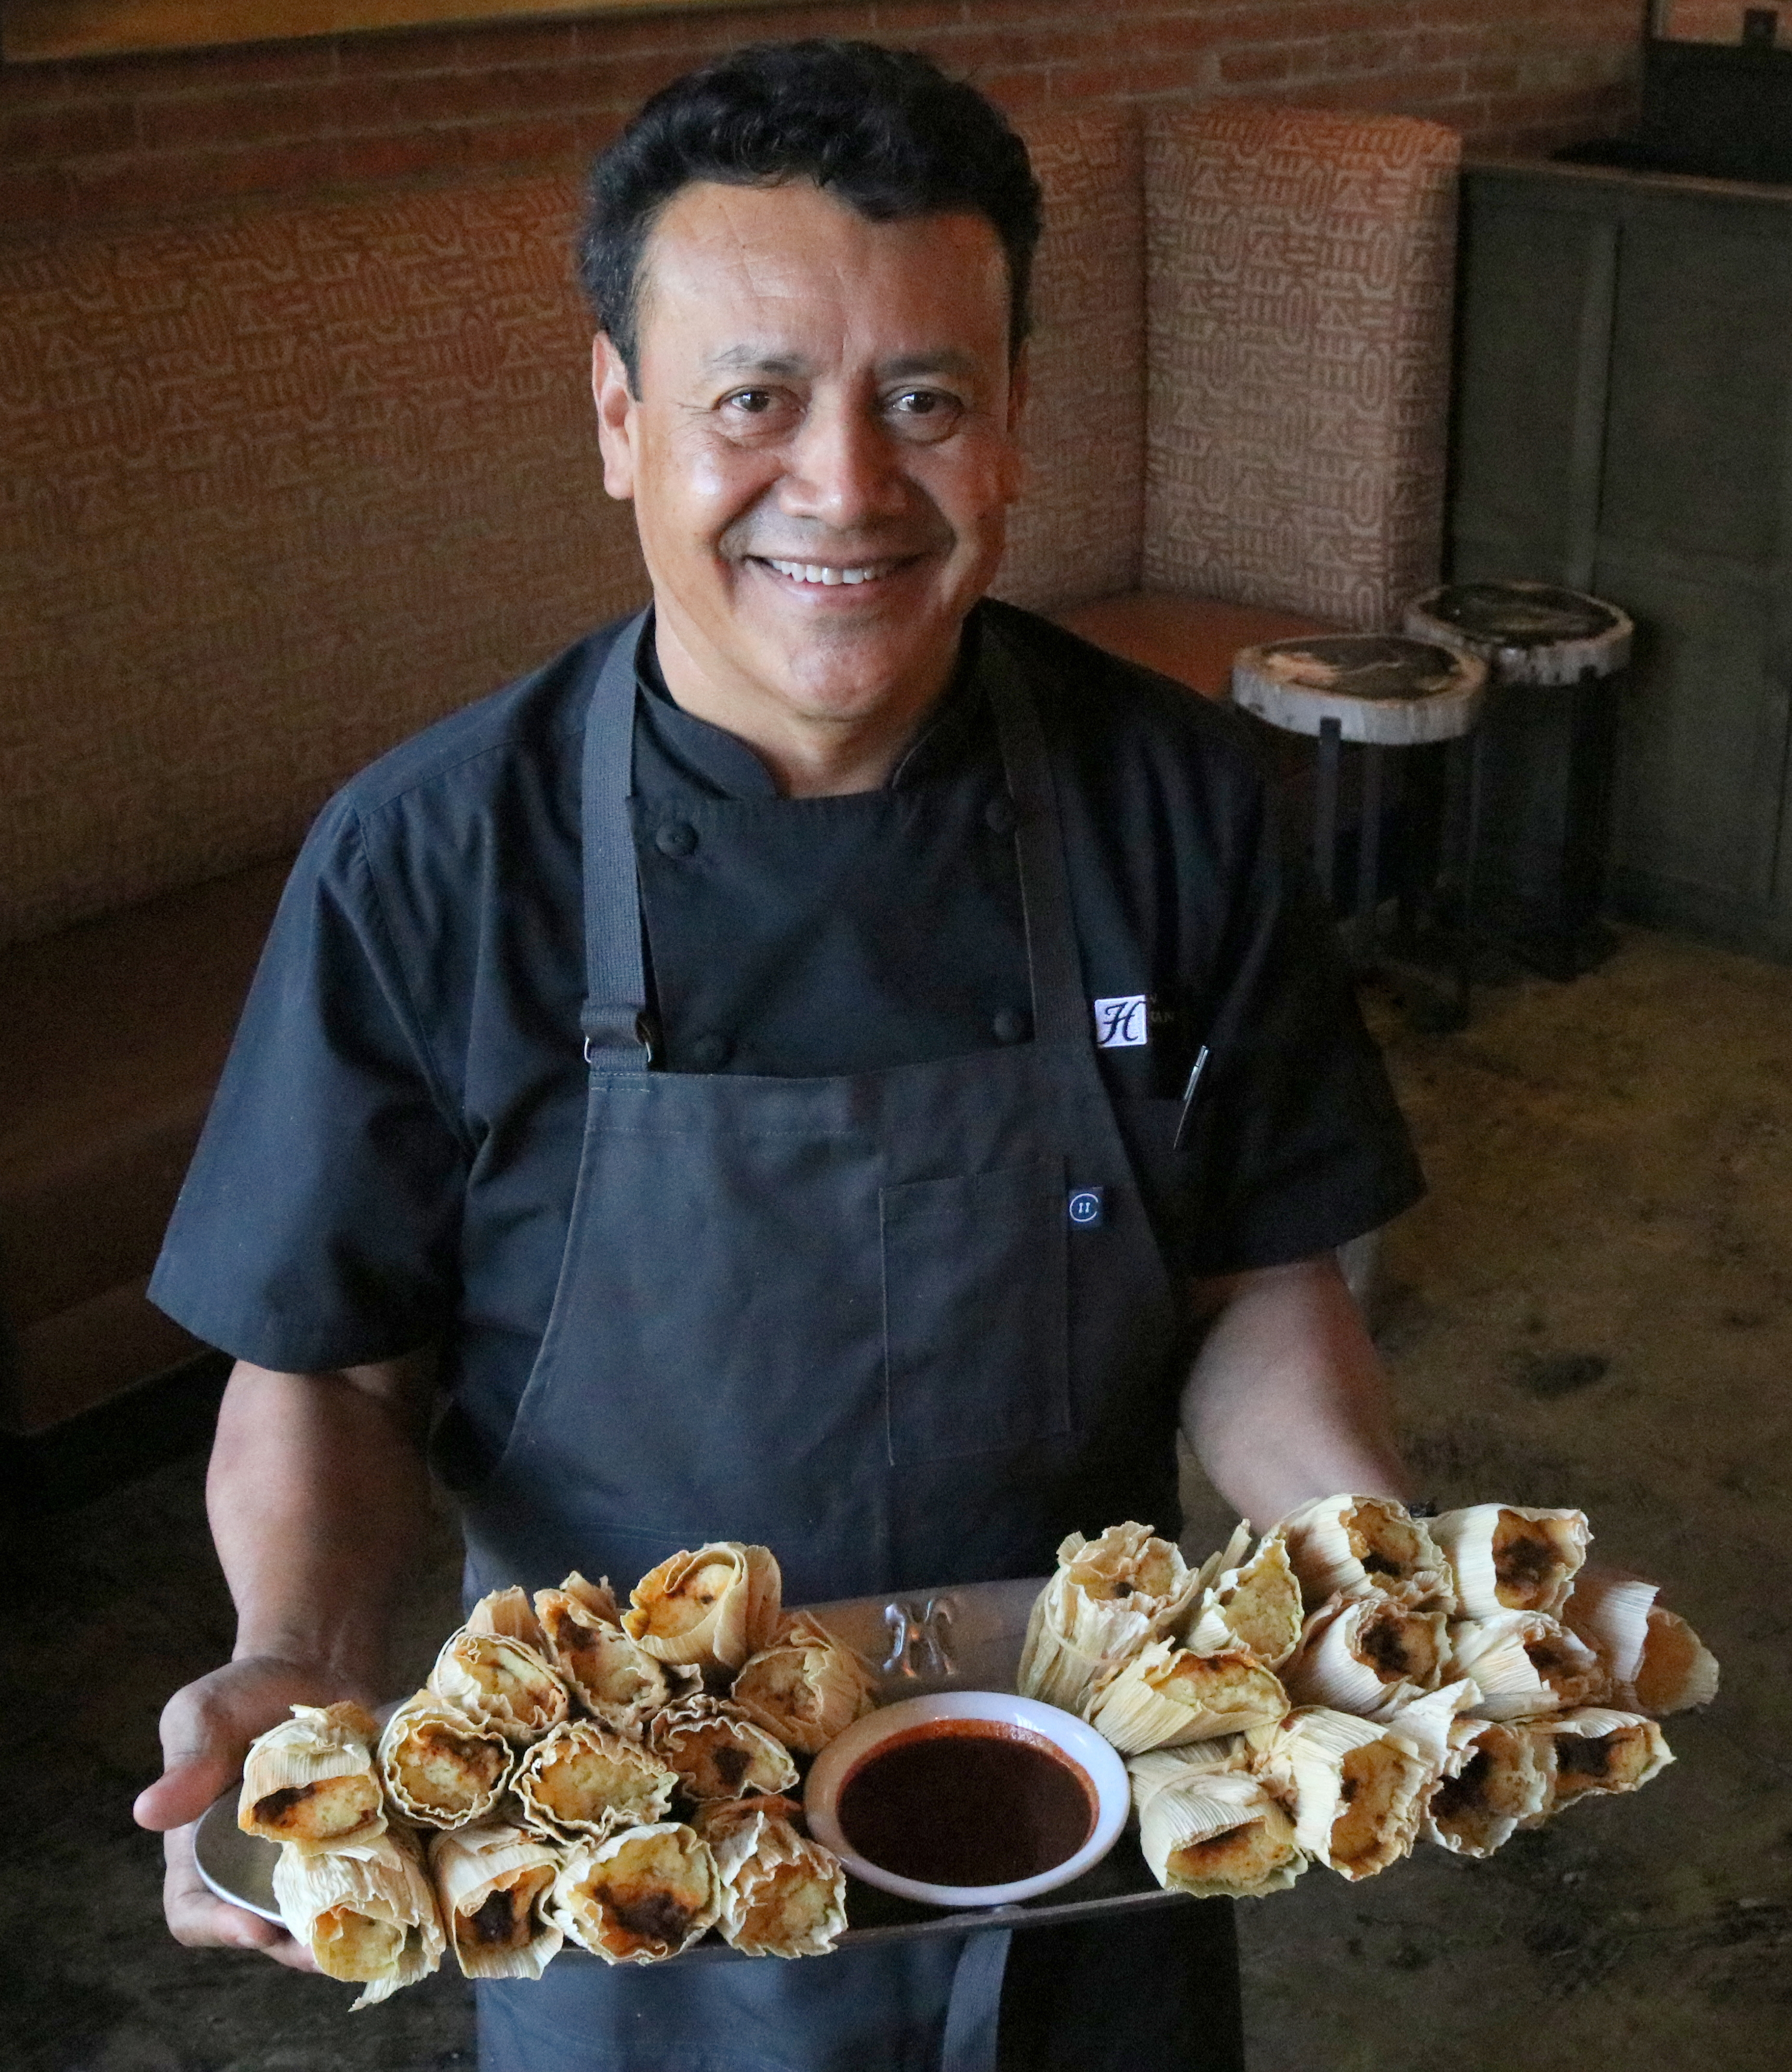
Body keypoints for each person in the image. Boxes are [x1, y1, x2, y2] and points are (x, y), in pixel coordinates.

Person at [135, 38, 1424, 2072]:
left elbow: (1254, 1285)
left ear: (1009, 423)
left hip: (1086, 1816)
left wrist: (1377, 1575)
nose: (844, 487)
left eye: (924, 400)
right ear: (617, 417)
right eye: (753, 399)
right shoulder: (433, 858)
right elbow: (327, 1371)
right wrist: (298, 1656)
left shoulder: (1174, 803)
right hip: (622, 1863)